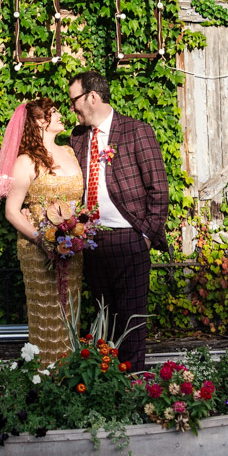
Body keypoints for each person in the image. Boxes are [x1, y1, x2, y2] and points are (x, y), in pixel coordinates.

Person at [68, 70, 168, 372]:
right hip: (93, 240)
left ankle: (135, 383)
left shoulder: (137, 131)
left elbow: (159, 189)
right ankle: (107, 385)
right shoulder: (78, 137)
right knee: (102, 321)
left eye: (74, 101)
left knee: (132, 321)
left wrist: (146, 237)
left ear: (93, 97)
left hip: (130, 239)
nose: (71, 108)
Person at [0, 98, 84, 366]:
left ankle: (71, 375)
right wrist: (42, 240)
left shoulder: (70, 152)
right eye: (54, 113)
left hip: (73, 247)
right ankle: (45, 376)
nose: (62, 115)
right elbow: (12, 211)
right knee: (47, 315)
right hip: (39, 250)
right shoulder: (25, 161)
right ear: (40, 122)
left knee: (70, 313)